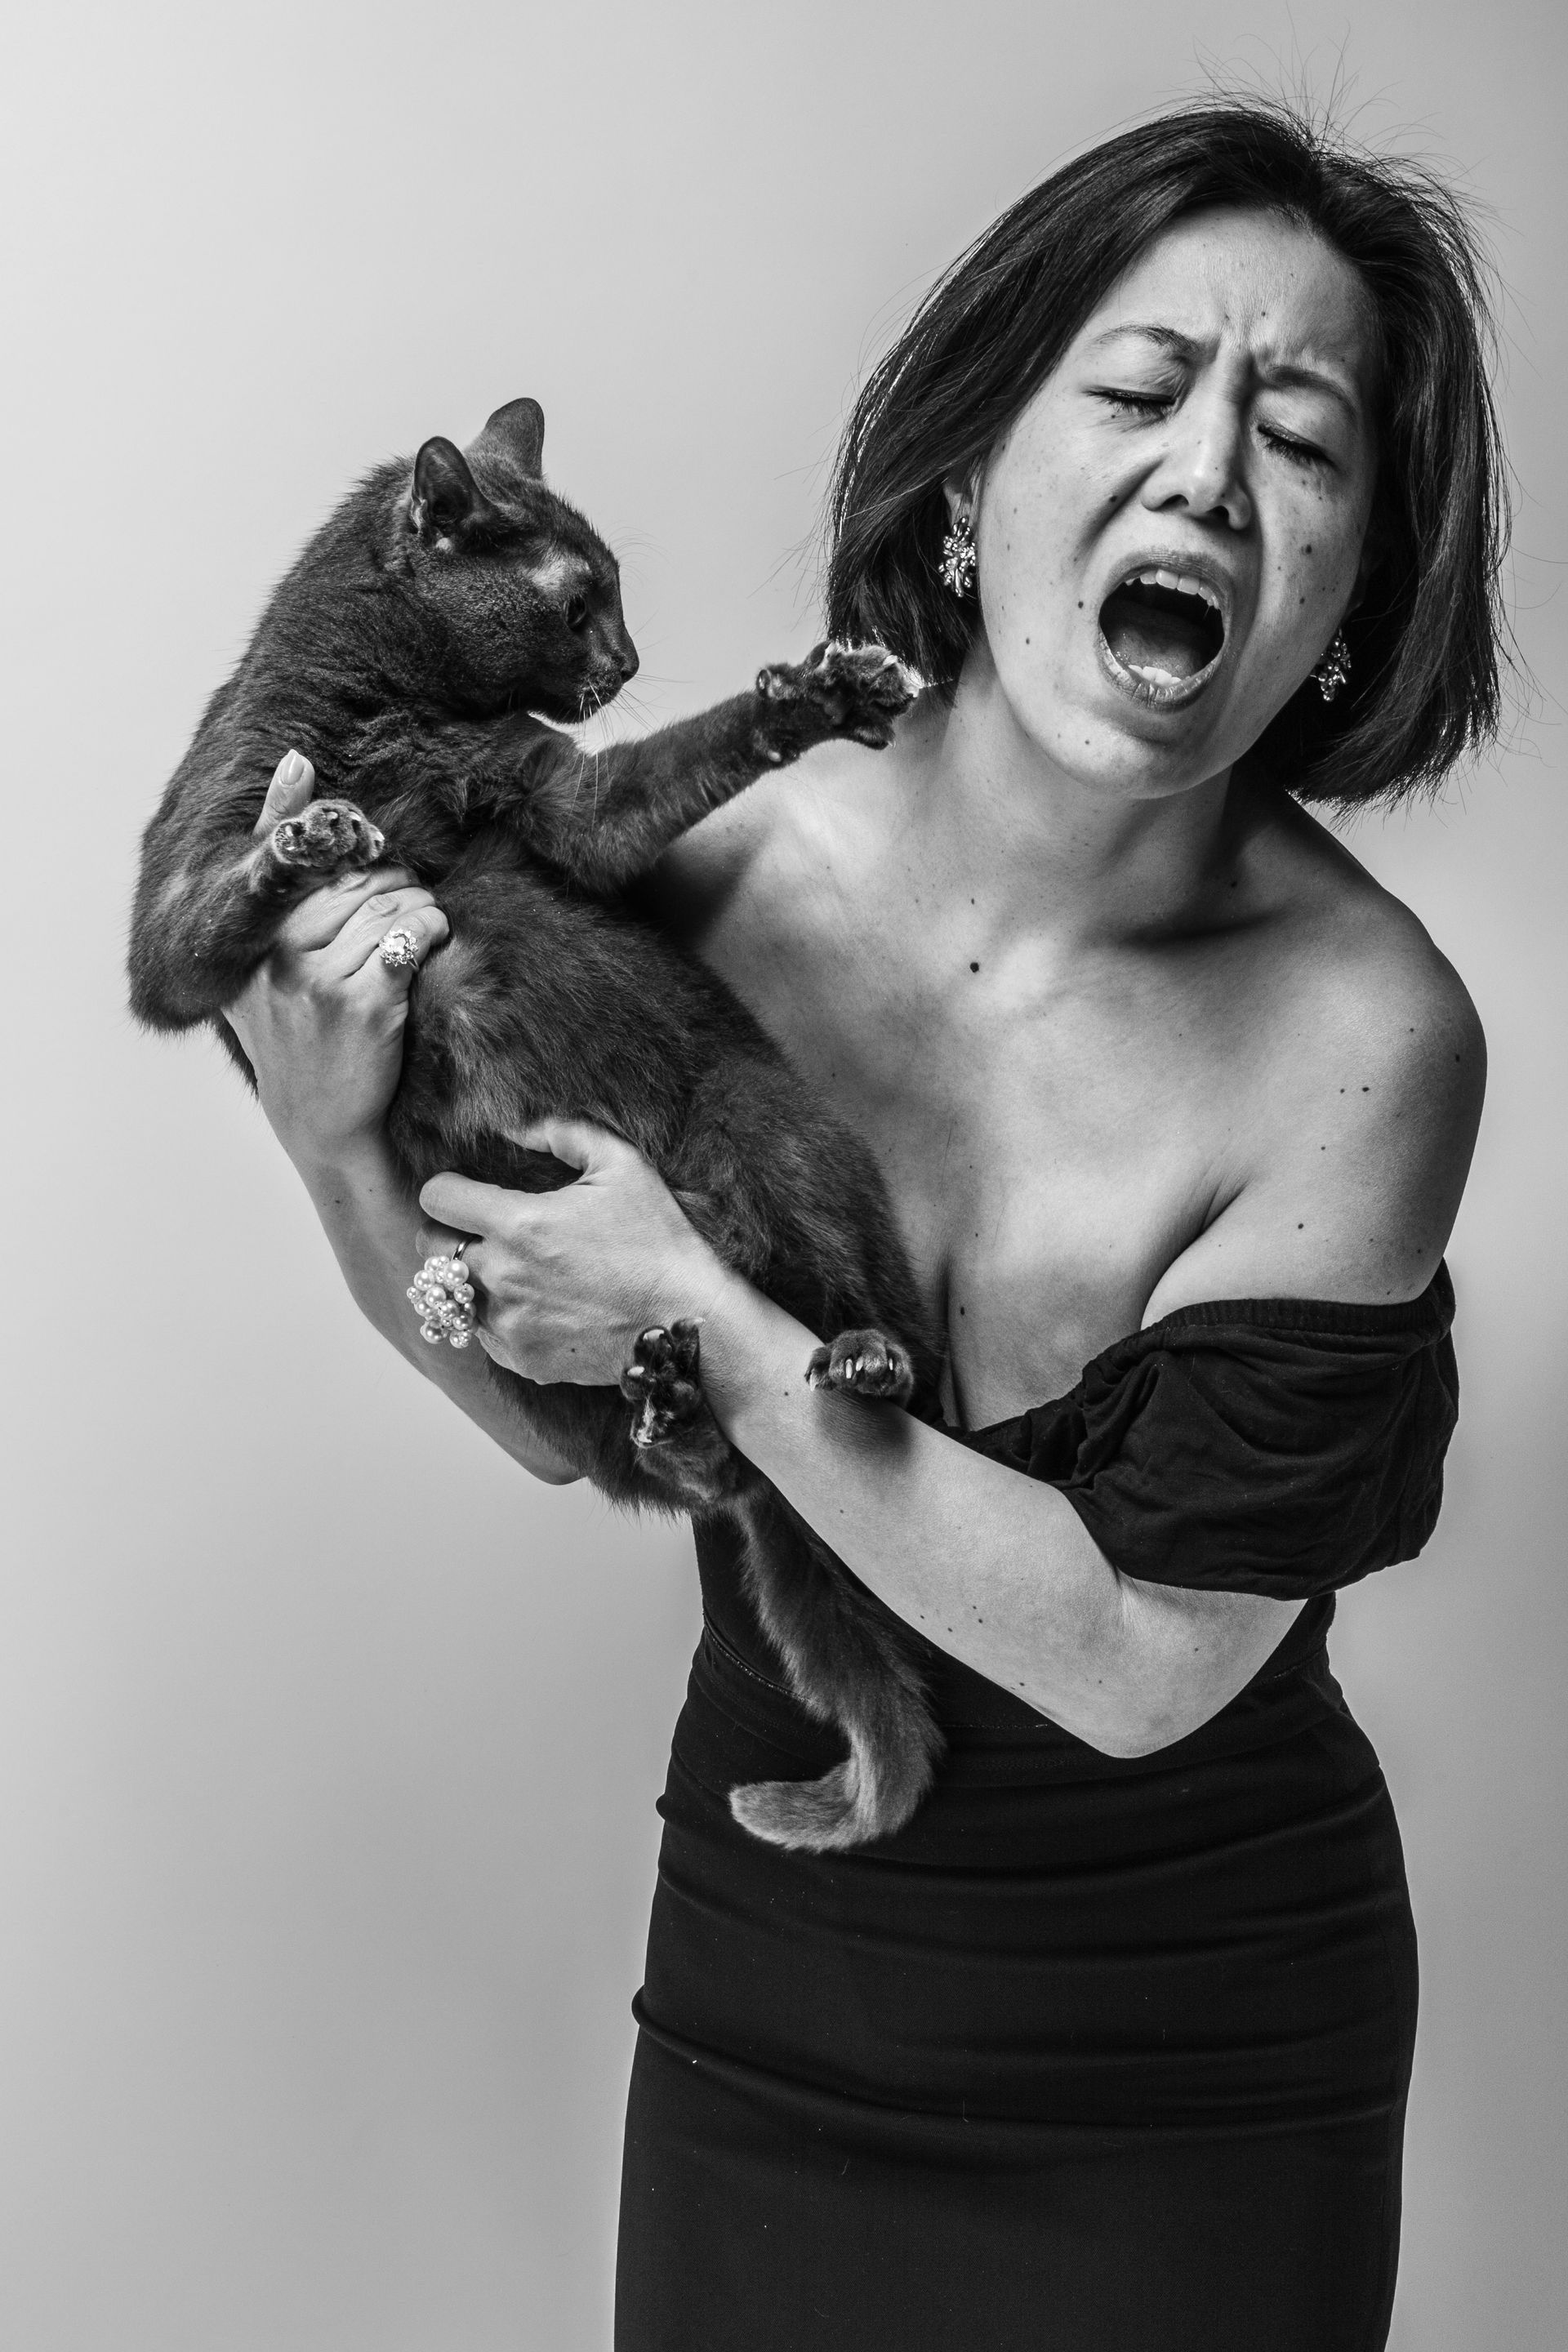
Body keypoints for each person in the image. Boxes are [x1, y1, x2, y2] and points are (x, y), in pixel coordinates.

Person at [225, 99, 1504, 2352]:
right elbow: (550, 1413)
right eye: (1139, 391)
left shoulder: (1369, 1038)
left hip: (1196, 2069)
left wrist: (708, 1321)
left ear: (1348, 595)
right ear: (968, 479)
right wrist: (341, 1148)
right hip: (772, 1987)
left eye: (1302, 441)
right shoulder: (700, 867)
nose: (1212, 474)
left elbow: (1141, 1660)